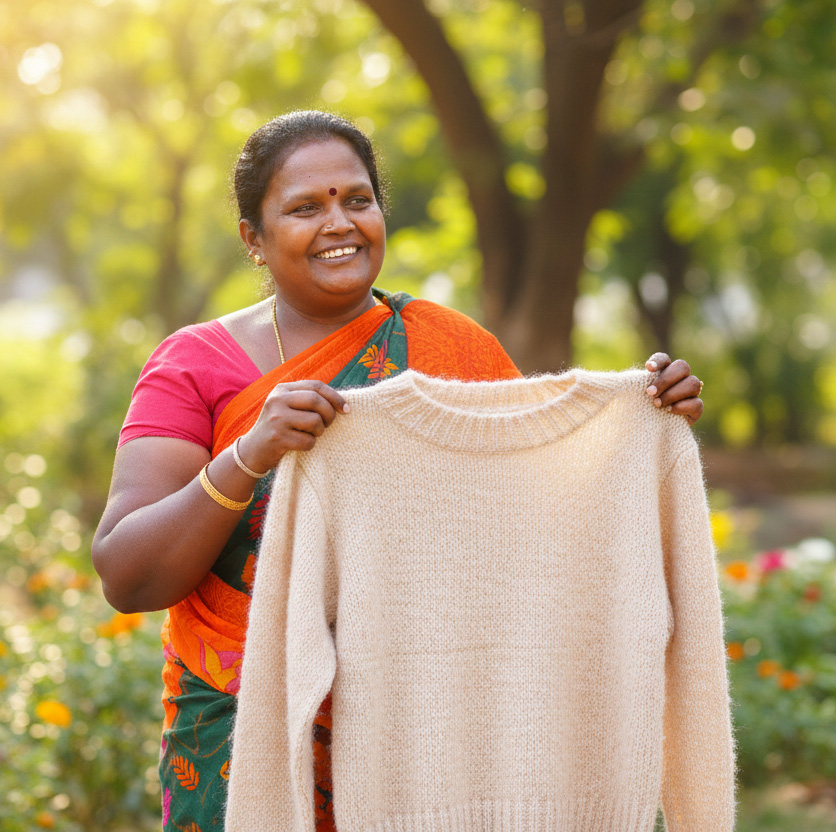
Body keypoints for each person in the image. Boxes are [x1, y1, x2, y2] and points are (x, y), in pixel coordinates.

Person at [91, 110, 706, 831]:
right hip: (238, 727)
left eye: (357, 199)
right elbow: (128, 577)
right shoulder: (196, 365)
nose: (340, 224)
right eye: (304, 208)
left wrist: (637, 421)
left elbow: (544, 527)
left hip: (422, 734)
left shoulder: (449, 347)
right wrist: (250, 452)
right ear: (252, 240)